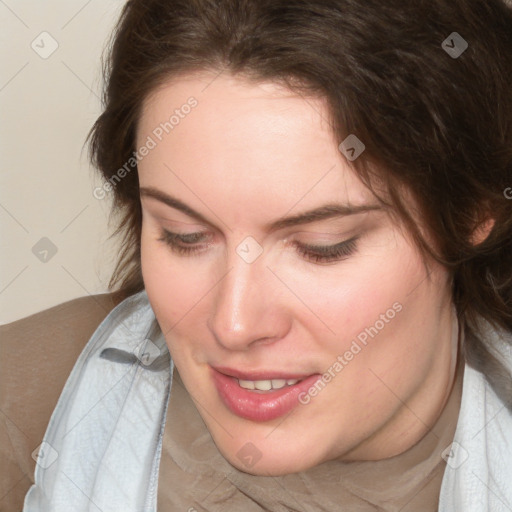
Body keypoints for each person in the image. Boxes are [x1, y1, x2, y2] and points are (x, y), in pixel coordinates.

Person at [1, 0, 511, 510]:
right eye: (185, 235)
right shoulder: (24, 402)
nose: (234, 325)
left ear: (471, 214)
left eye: (321, 247)